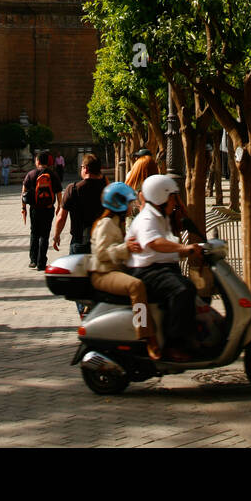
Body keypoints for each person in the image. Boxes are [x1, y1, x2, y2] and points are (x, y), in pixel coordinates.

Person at [127, 174, 203, 361]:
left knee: (192, 289)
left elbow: (168, 242)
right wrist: (184, 248)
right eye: (173, 197)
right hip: (148, 271)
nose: (175, 202)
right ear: (160, 197)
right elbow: (154, 243)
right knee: (182, 290)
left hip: (161, 268)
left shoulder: (161, 217)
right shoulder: (147, 218)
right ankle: (173, 345)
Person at [89, 182, 160, 360]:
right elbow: (102, 252)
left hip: (115, 270)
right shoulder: (105, 224)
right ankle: (145, 334)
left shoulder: (118, 223)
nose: (132, 206)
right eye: (129, 203)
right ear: (118, 204)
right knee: (136, 285)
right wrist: (125, 248)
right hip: (103, 273)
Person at [52, 153, 106, 255]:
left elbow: (61, 217)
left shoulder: (73, 188)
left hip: (79, 240)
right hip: (101, 240)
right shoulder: (106, 188)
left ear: (85, 169)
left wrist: (56, 235)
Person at [21, 152, 62, 270]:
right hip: (48, 209)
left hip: (34, 209)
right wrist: (59, 206)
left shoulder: (31, 174)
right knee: (45, 234)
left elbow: (23, 193)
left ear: (37, 161)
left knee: (34, 233)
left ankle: (33, 260)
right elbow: (59, 193)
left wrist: (23, 208)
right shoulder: (52, 175)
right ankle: (41, 262)